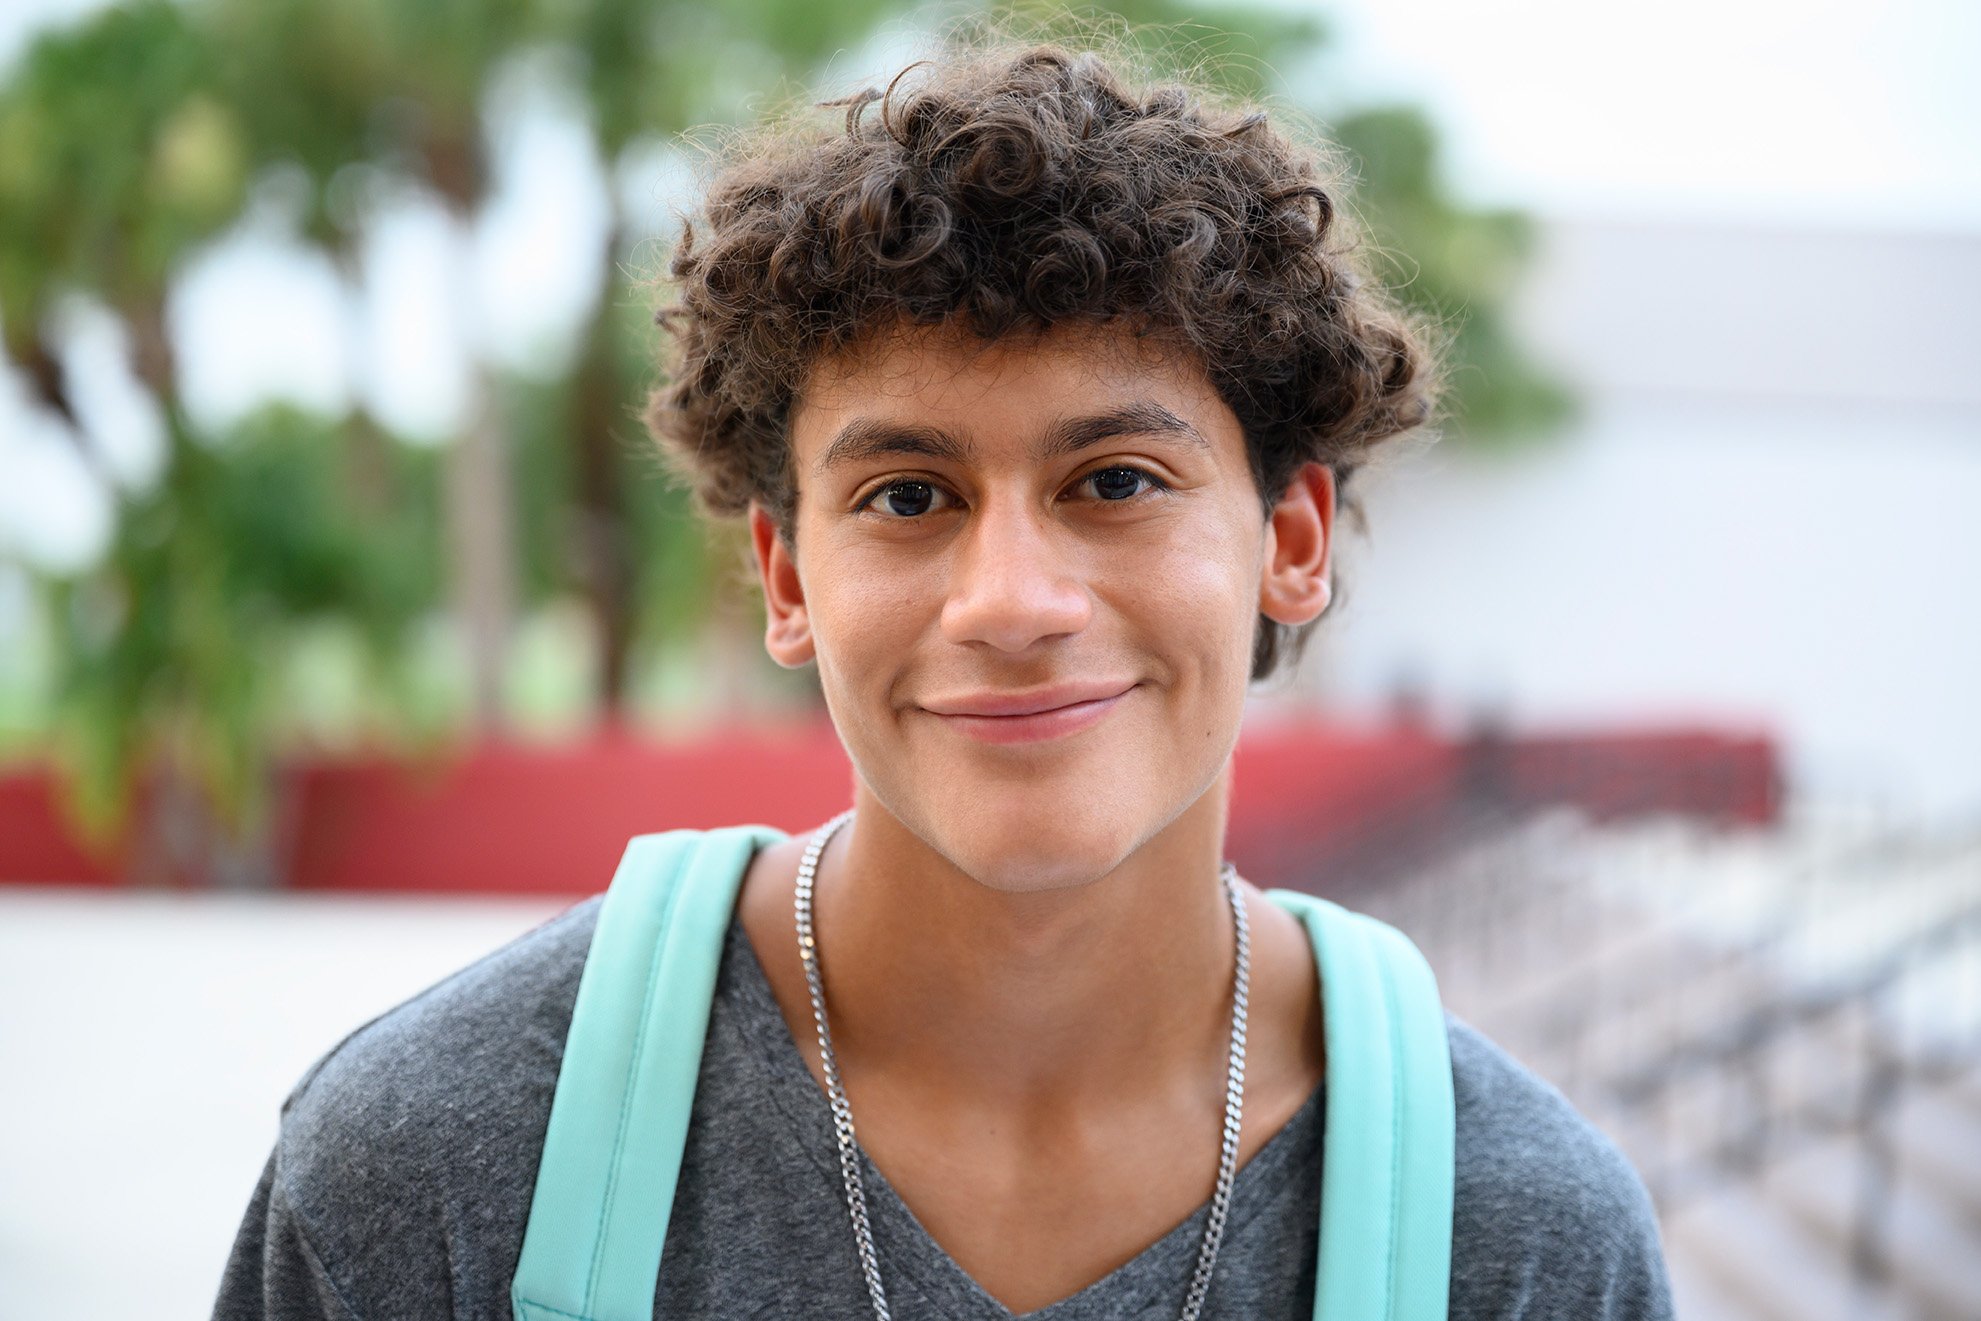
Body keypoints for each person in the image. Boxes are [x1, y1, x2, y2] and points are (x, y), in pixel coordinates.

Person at [213, 32, 1675, 1321]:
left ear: (1287, 541)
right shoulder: (437, 1169)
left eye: (1114, 479)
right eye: (908, 496)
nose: (1011, 603)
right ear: (787, 578)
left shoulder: (1523, 1241)